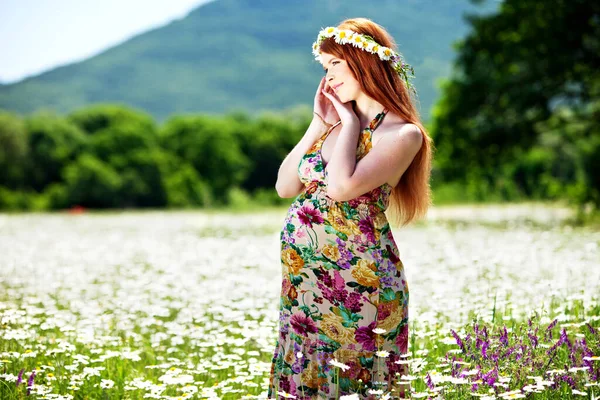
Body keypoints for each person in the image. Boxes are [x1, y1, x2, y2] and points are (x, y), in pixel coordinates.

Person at [268, 17, 433, 400]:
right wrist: (318, 123)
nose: (328, 77)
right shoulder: (333, 127)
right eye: (325, 67)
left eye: (335, 64)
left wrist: (346, 122)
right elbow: (285, 186)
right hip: (305, 283)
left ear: (363, 61)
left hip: (359, 283)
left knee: (357, 379)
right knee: (306, 378)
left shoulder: (402, 134)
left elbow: (342, 188)